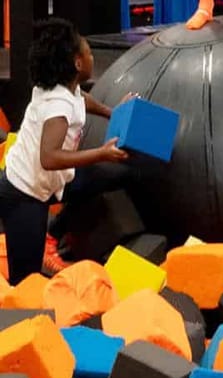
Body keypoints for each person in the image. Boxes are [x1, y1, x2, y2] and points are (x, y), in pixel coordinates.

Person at [0, 19, 128, 284]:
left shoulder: (67, 87)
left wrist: (112, 112)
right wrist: (101, 153)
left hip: (53, 183)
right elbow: (49, 157)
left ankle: (55, 232)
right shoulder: (57, 106)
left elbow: (82, 99)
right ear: (78, 64)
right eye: (89, 53)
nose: (92, 55)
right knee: (27, 281)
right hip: (25, 193)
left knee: (109, 176)